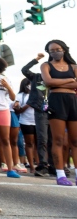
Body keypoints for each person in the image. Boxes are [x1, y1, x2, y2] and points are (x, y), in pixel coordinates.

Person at [40, 40, 77, 186]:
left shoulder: (73, 66)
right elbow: (48, 82)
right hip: (56, 101)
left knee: (75, 141)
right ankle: (60, 174)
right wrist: (69, 79)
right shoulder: (46, 65)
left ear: (64, 50)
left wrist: (57, 82)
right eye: (52, 50)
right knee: (58, 140)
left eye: (58, 49)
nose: (55, 52)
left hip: (72, 101)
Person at [21, 53, 55, 176]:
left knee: (54, 140)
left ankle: (54, 166)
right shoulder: (36, 77)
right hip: (41, 111)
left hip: (56, 111)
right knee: (42, 139)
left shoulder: (58, 78)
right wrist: (36, 59)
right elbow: (24, 70)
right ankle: (43, 165)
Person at [14, 78, 36, 173]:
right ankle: (31, 166)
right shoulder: (19, 96)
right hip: (26, 122)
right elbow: (18, 110)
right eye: (28, 84)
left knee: (39, 144)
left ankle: (40, 164)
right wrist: (28, 104)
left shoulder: (37, 94)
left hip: (39, 122)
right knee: (29, 143)